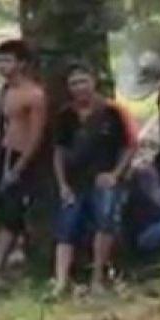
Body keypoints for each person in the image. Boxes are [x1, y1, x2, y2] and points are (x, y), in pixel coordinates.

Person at [52, 63, 137, 295]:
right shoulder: (66, 116)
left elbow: (130, 145)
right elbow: (58, 152)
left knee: (105, 223)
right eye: (73, 84)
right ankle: (60, 281)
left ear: (94, 81)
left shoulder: (113, 112)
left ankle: (97, 278)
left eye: (83, 81)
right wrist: (62, 184)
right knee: (65, 228)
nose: (79, 88)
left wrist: (115, 174)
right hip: (74, 181)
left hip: (103, 179)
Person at [0, 39, 47, 288]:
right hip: (1, 153)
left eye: (7, 60)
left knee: (10, 217)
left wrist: (19, 168)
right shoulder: (1, 91)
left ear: (22, 64)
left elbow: (35, 136)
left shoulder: (34, 95)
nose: (2, 66)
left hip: (20, 157)